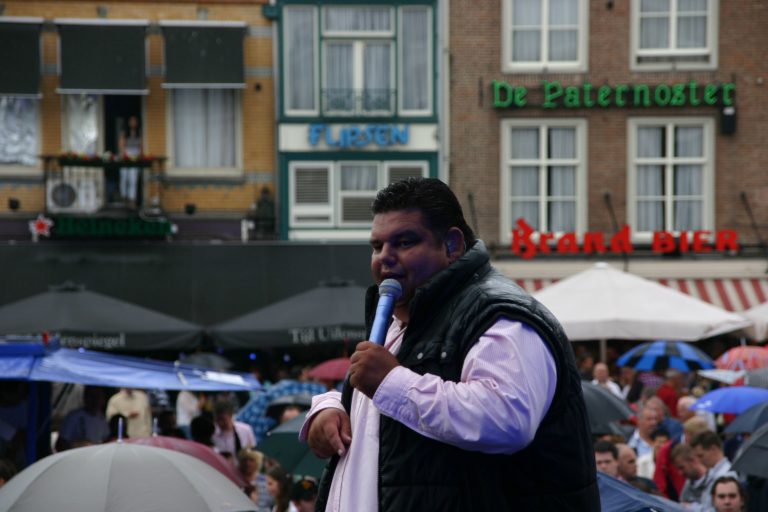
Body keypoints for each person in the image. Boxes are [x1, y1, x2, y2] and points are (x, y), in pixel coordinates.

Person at [303, 178, 599, 511]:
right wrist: (329, 409)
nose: (384, 258)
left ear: (452, 245)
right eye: (376, 246)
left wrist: (390, 382)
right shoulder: (403, 317)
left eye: (404, 242)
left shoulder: (498, 316)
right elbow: (384, 411)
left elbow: (507, 418)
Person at [55, 385, 110, 451]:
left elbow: (105, 440)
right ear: (85, 397)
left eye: (98, 396)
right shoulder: (73, 417)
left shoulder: (102, 419)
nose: (95, 400)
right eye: (92, 396)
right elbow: (60, 445)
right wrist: (77, 445)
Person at [117, 114, 142, 207]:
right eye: (131, 121)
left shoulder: (139, 133)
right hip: (125, 156)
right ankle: (124, 197)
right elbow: (121, 145)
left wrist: (138, 155)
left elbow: (141, 146)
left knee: (133, 179)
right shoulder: (124, 133)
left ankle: (132, 199)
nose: (133, 123)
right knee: (124, 178)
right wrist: (125, 154)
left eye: (135, 121)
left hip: (135, 158)